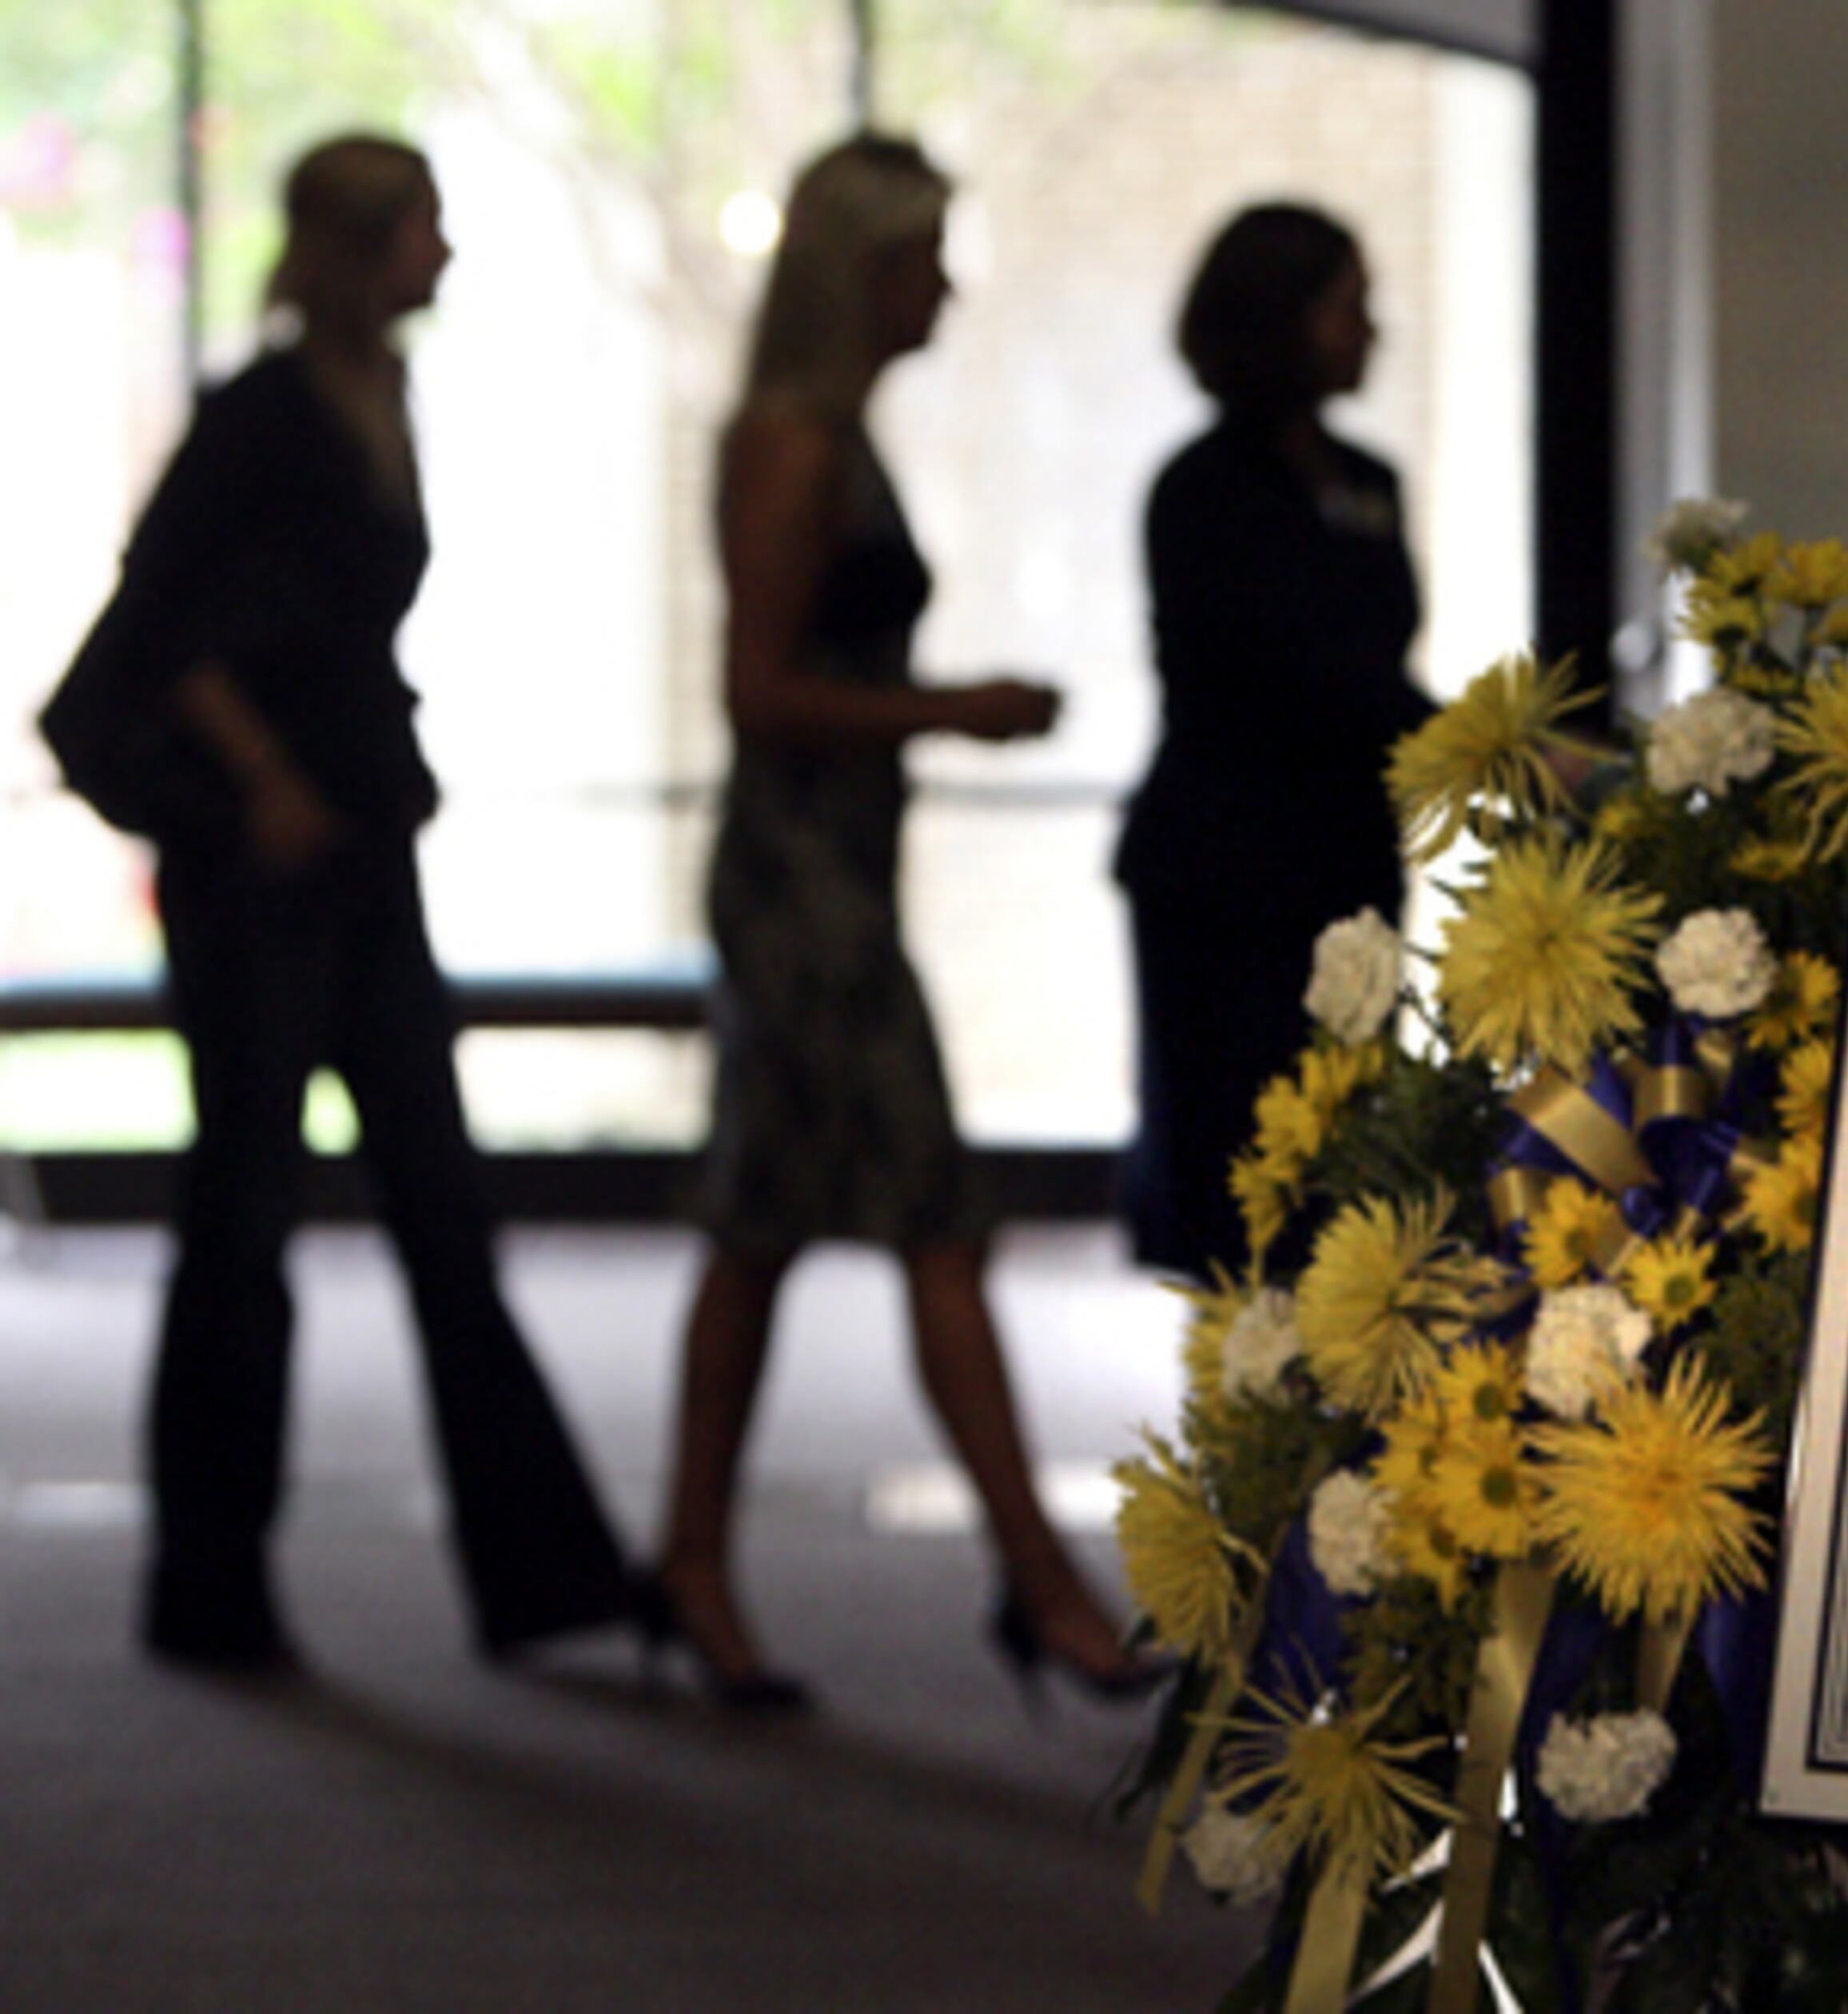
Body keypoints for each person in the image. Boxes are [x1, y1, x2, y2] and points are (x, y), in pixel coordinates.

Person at [45, 135, 635, 1672]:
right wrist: (264, 778)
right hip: (263, 868)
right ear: (366, 245)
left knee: (438, 1206)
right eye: (425, 226)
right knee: (246, 1215)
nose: (444, 252)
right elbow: (159, 616)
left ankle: (545, 1569)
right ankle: (211, 1582)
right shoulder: (266, 412)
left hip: (359, 849)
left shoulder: (376, 395)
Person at [656, 134, 1154, 1709]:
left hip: (836, 872)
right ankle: (1044, 1578)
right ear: (859, 276)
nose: (943, 288)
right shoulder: (793, 444)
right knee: (937, 1217)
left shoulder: (835, 436)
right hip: (801, 885)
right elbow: (757, 692)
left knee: (759, 1225)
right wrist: (957, 708)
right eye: (923, 260)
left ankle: (691, 1558)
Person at [1117, 204, 1436, 1277]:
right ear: (1279, 320)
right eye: (1349, 306)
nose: (1372, 330)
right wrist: (1498, 747)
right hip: (1227, 879)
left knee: (1349, 1167)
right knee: (1238, 1176)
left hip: (1345, 866)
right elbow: (1312, 676)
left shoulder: (1369, 479)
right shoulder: (1201, 492)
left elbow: (1369, 667)